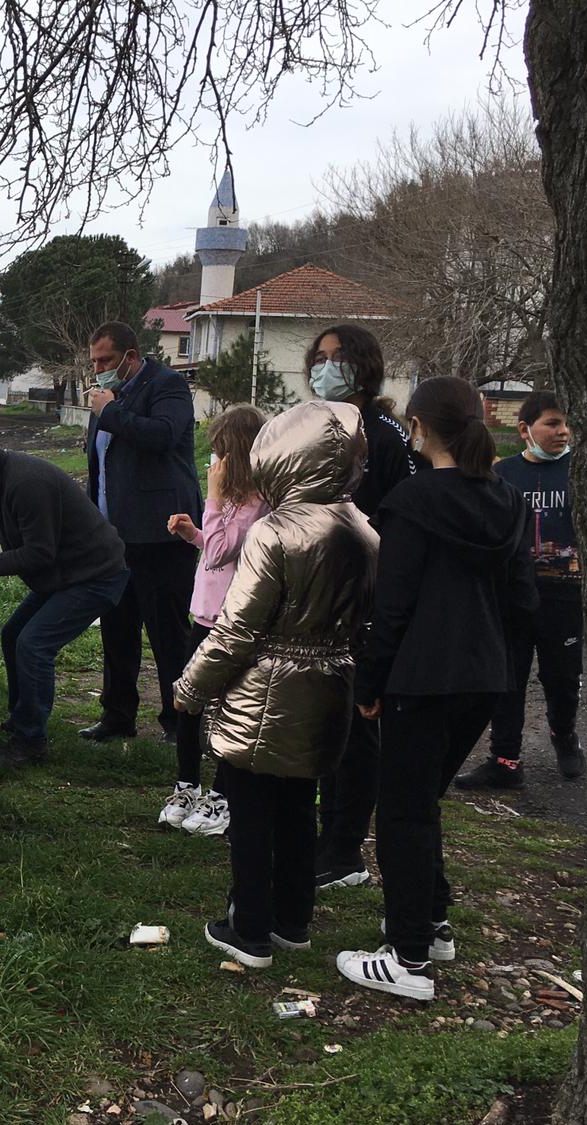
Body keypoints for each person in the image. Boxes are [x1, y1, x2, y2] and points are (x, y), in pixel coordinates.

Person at [338, 377, 536, 1001]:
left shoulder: (412, 501)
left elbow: (391, 607)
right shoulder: (507, 501)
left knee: (401, 810)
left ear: (418, 429)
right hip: (485, 676)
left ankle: (408, 957)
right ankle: (434, 921)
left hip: (422, 678)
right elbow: (523, 601)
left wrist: (368, 681)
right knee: (423, 800)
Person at [174, 401, 378, 968]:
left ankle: (250, 927)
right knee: (298, 804)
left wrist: (192, 685)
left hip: (266, 689)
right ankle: (293, 919)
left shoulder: (276, 531)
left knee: (251, 805)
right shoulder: (362, 528)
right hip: (331, 681)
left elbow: (238, 627)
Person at [0, 412, 130, 769]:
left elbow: (39, 553)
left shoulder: (26, 482)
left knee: (33, 644)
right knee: (13, 634)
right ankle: (21, 719)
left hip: (97, 574)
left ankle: (30, 742)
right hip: (62, 575)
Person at [303, 323, 418, 890]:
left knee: (355, 728)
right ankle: (328, 835)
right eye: (319, 358)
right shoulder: (320, 424)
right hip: (321, 595)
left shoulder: (383, 434)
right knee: (326, 723)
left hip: (365, 601)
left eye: (339, 357)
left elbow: (393, 523)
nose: (327, 367)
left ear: (363, 365)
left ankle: (345, 847)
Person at [79, 320, 203, 745]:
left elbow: (163, 436)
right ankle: (117, 715)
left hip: (163, 534)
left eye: (106, 360)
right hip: (113, 538)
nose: (99, 369)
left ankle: (179, 719)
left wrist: (111, 411)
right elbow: (99, 465)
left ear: (131, 356)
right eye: (94, 361)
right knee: (117, 627)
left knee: (167, 630)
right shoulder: (105, 399)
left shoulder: (167, 386)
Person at [456, 392, 584, 789]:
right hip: (511, 595)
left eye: (565, 424)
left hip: (564, 595)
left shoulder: (581, 472)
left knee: (561, 678)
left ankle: (563, 734)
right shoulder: (504, 475)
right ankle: (505, 760)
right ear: (525, 430)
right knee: (508, 678)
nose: (562, 432)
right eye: (551, 424)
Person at [159, 405, 270, 836]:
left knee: (228, 707)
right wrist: (195, 535)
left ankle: (222, 795)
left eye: (220, 452)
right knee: (186, 699)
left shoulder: (256, 501)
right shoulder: (234, 500)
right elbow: (217, 548)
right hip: (203, 613)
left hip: (235, 620)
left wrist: (212, 496)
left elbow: (226, 550)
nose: (214, 461)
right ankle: (186, 784)